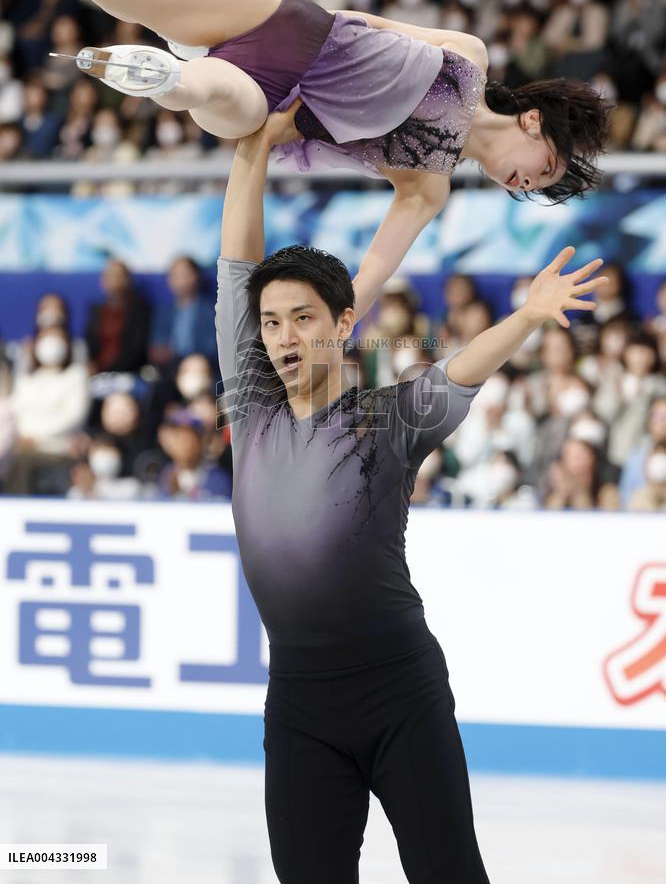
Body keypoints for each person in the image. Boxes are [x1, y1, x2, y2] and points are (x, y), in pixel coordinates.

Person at [214, 105, 607, 883]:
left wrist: (529, 316)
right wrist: (253, 150)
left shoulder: (386, 422)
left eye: (302, 318)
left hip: (400, 692)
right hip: (298, 704)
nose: (284, 337)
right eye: (271, 323)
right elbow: (236, 264)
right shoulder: (251, 408)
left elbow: (459, 370)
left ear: (343, 323)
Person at [64, 0, 611, 318]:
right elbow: (368, 22)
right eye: (544, 168)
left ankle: (170, 77)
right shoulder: (469, 57)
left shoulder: (428, 185)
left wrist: (337, 326)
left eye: (535, 188)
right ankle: (179, 61)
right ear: (533, 121)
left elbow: (372, 273)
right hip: (286, 30)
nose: (527, 183)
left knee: (221, 102)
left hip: (268, 100)